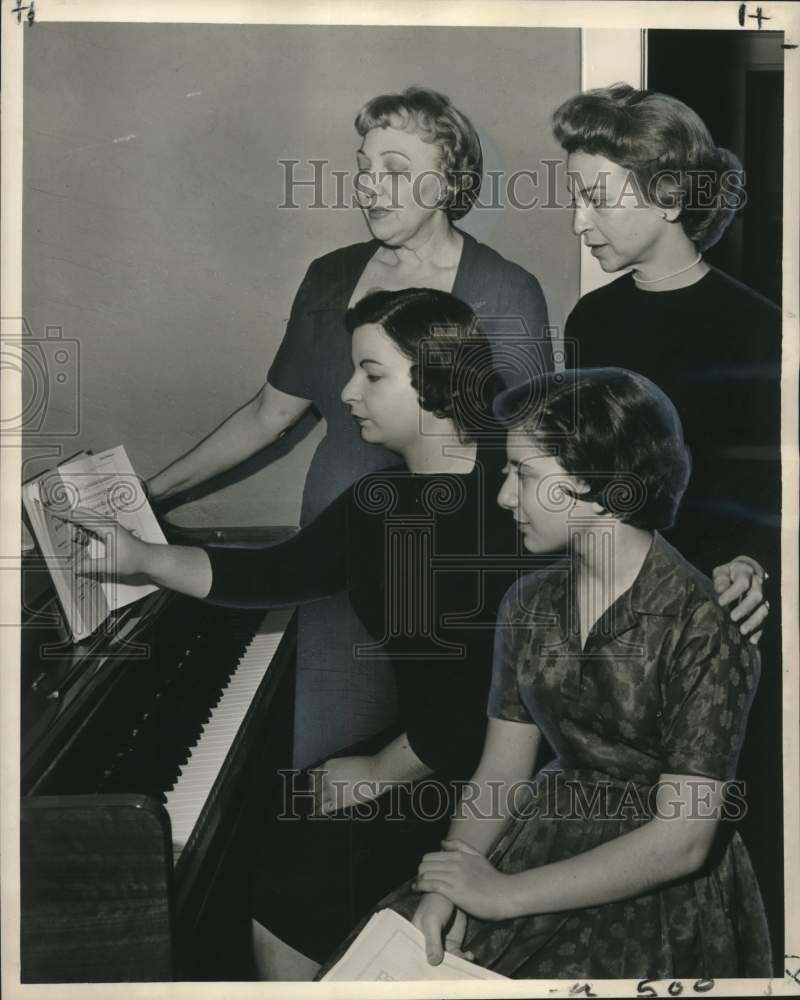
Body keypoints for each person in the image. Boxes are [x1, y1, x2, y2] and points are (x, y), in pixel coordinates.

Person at [62, 289, 536, 980]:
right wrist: (142, 558)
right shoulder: (387, 502)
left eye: (372, 374)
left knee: (291, 875)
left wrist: (378, 773)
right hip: (441, 746)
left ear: (437, 380)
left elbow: (477, 710)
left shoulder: (509, 493)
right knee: (289, 807)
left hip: (501, 770)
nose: (347, 393)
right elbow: (274, 574)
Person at [146, 86, 551, 769]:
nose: (370, 187)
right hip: (335, 563)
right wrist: (148, 496)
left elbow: (532, 447)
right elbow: (267, 415)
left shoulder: (505, 290)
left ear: (449, 177)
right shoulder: (330, 278)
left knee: (450, 769)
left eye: (395, 170)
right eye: (364, 168)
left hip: (457, 583)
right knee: (329, 771)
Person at [333, 368, 771, 980]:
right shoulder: (529, 602)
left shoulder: (704, 624)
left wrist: (501, 895)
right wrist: (450, 881)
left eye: (524, 473)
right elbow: (502, 771)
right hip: (540, 833)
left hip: (658, 886)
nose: (504, 496)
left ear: (600, 487)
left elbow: (685, 839)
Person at [551, 83, 782, 953]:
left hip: (712, 629)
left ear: (671, 196)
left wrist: (758, 564)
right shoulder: (591, 322)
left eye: (598, 196)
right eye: (579, 195)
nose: (582, 220)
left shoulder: (758, 328)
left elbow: (771, 488)